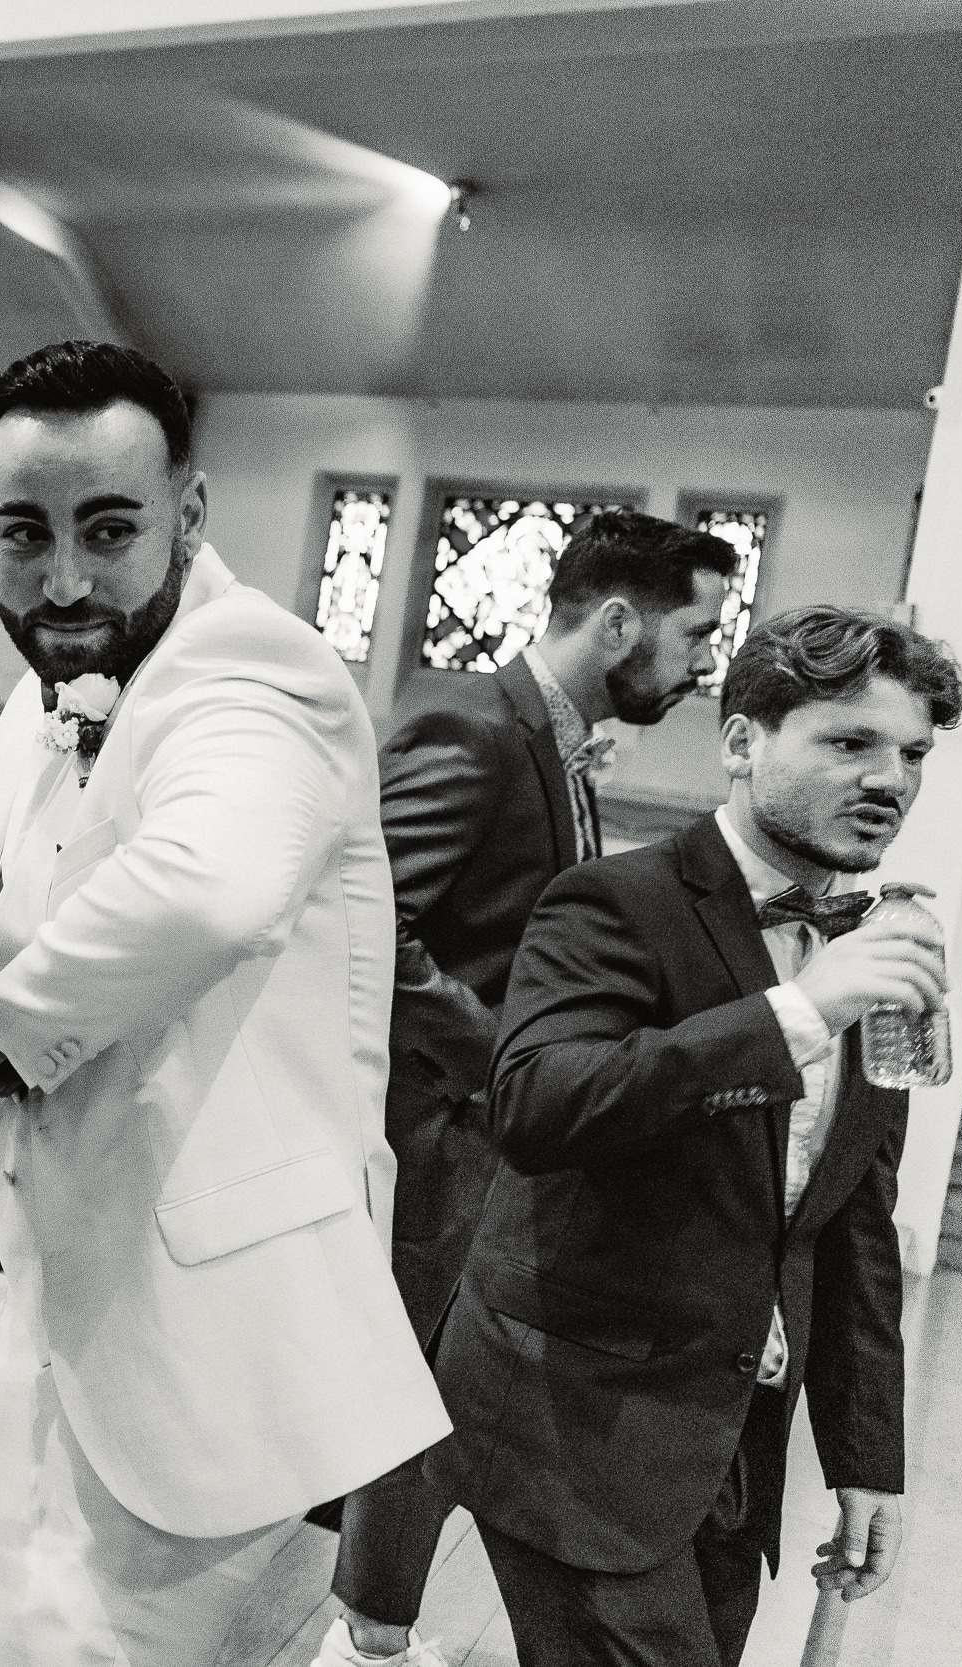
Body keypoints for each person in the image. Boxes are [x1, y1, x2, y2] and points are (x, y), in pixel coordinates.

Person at [0, 341, 448, 1665]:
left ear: (188, 514)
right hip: (15, 1294)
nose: (64, 579)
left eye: (108, 527)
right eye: (24, 532)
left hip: (191, 1332)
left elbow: (208, 887)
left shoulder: (254, 665)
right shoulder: (49, 689)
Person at [428, 605, 961, 1667]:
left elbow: (851, 1220)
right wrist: (797, 1012)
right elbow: (537, 1105)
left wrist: (866, 1458)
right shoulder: (613, 902)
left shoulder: (873, 942)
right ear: (741, 742)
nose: (889, 779)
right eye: (849, 741)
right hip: (572, 1420)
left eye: (912, 754)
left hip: (730, 1447)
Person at [316, 511, 737, 1667]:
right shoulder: (474, 726)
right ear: (619, 623)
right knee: (410, 1384)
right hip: (435, 1130)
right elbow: (365, 926)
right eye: (696, 634)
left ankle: (374, 1627)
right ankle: (361, 1637)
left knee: (435, 1391)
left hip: (492, 1137)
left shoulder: (555, 741)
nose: (701, 665)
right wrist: (505, 1055)